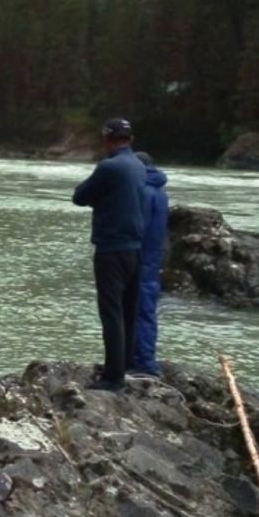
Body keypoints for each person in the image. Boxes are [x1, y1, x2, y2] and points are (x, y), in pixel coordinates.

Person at [72, 118, 146, 392]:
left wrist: (99, 199)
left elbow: (79, 196)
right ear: (131, 138)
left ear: (107, 138)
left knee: (111, 312)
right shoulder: (138, 165)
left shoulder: (109, 167)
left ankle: (113, 378)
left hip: (111, 249)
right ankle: (122, 365)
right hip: (135, 249)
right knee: (128, 310)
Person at [130, 152, 169, 378]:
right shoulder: (160, 192)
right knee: (146, 311)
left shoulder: (141, 191)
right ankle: (145, 359)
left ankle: (142, 363)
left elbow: (135, 226)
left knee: (137, 310)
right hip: (153, 258)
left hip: (138, 256)